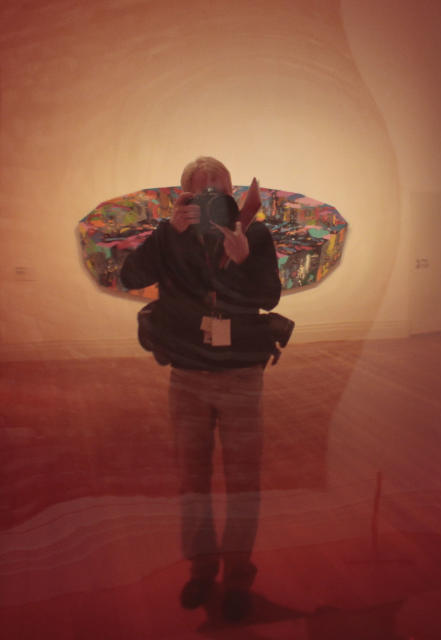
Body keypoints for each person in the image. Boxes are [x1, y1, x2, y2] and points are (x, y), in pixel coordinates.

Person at [120, 157, 282, 622]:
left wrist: (244, 260)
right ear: (185, 194)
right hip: (188, 376)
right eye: (200, 190)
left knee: (243, 484)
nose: (212, 196)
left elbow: (268, 295)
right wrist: (168, 233)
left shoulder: (254, 235)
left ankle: (236, 578)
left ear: (231, 192)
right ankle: (201, 567)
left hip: (241, 377)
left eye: (219, 189)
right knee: (193, 482)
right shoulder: (171, 235)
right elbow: (132, 277)